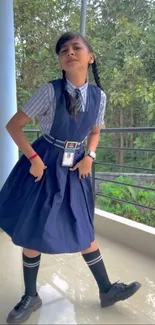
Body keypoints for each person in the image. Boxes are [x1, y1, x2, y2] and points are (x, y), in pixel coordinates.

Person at [0, 31, 141, 324]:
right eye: (64, 50)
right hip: (46, 163)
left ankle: (106, 289)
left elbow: (95, 131)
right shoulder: (49, 91)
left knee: (83, 226)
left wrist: (89, 156)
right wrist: (34, 159)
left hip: (78, 166)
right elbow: (13, 126)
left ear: (90, 57)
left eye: (77, 47)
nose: (70, 52)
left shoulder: (99, 97)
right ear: (61, 62)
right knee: (35, 229)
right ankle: (31, 295)